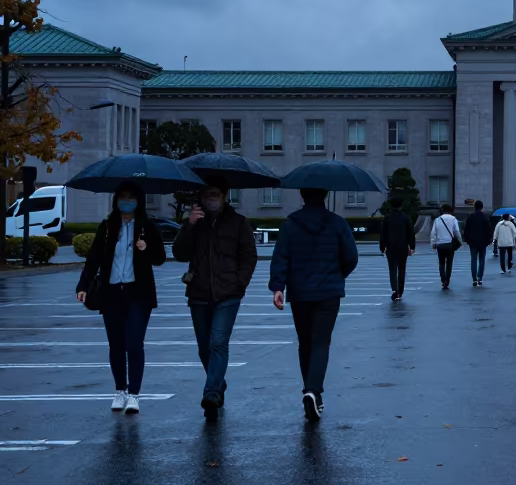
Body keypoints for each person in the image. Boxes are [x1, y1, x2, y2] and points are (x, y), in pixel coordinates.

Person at [76, 181, 166, 415]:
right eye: (122, 197)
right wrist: (83, 285)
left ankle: (134, 395)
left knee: (134, 344)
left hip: (139, 293)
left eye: (131, 197)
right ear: (116, 200)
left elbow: (160, 258)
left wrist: (146, 248)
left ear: (139, 201)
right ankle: (120, 390)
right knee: (116, 344)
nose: (126, 201)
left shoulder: (146, 226)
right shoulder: (107, 227)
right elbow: (94, 258)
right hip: (112, 292)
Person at [267, 188, 358, 421]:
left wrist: (278, 287)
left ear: (302, 195)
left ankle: (308, 388)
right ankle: (313, 391)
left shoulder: (290, 225)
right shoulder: (338, 223)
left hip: (299, 292)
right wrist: (338, 275)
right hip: (329, 291)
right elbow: (351, 257)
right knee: (321, 342)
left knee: (305, 342)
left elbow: (281, 257)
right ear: (325, 195)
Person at [173, 180, 258, 421]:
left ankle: (211, 393)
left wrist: (239, 283)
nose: (212, 198)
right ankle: (218, 383)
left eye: (216, 194)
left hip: (228, 294)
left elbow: (249, 256)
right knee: (204, 348)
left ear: (225, 195)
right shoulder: (194, 223)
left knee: (218, 343)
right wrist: (188, 226)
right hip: (198, 292)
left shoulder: (238, 222)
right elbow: (179, 254)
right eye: (208, 194)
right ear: (201, 197)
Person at [378, 199, 415, 301]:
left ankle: (395, 289)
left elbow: (383, 234)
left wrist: (382, 247)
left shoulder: (387, 218)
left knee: (392, 269)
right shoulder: (406, 217)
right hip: (403, 246)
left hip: (391, 246)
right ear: (401, 205)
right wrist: (412, 247)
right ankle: (400, 290)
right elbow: (410, 233)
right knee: (402, 269)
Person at [429, 203, 461, 290]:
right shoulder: (453, 219)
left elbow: (433, 233)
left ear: (442, 210)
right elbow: (456, 231)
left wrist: (433, 243)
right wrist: (460, 241)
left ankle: (443, 280)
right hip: (450, 244)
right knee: (449, 263)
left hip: (440, 244)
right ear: (450, 210)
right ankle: (447, 280)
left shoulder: (437, 219)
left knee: (441, 263)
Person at [463, 201, 493, 287]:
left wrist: (467, 239)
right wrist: (489, 240)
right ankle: (480, 277)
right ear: (482, 207)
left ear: (474, 207)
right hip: (483, 242)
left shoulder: (470, 217)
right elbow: (488, 230)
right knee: (482, 260)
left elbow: (466, 229)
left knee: (473, 260)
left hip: (472, 242)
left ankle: (474, 279)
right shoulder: (485, 217)